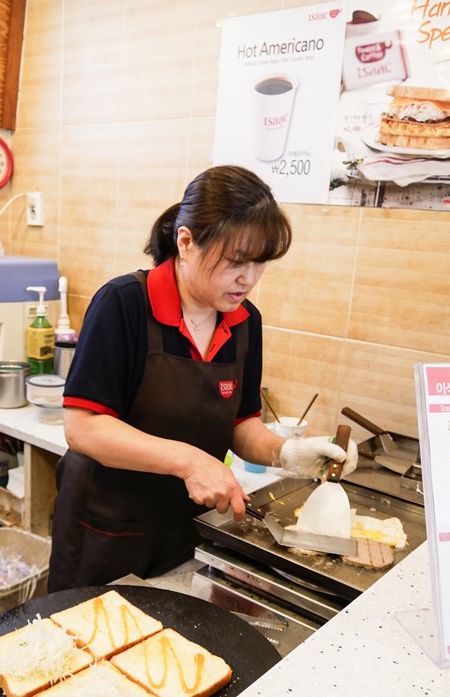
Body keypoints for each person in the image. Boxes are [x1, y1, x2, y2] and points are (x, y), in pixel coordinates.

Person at [49, 165, 357, 590]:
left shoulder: (246, 321)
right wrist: (190, 461)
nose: (248, 279)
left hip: (187, 529)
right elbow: (83, 428)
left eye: (260, 263)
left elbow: (240, 425)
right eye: (235, 262)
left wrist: (288, 453)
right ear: (187, 242)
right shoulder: (124, 304)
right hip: (106, 529)